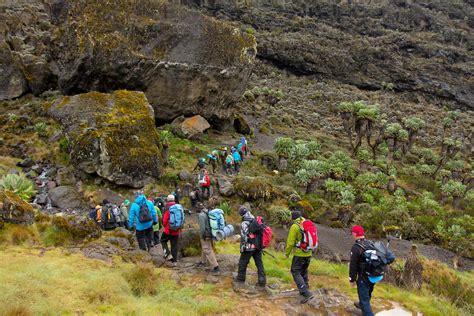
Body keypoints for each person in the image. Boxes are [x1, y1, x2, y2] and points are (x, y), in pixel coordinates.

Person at [285, 210, 313, 304]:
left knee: (295, 271)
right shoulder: (307, 223)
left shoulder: (295, 226)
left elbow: (290, 242)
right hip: (309, 253)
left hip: (299, 254)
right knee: (304, 270)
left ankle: (305, 293)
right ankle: (306, 287)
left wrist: (287, 253)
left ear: (293, 217)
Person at [235, 206, 266, 288]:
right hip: (257, 246)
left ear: (241, 214)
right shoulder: (255, 219)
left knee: (243, 263)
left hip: (248, 247)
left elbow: (244, 236)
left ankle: (240, 280)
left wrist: (242, 247)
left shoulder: (244, 223)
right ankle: (262, 281)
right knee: (259, 263)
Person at [349, 225, 375, 316]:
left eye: (352, 233)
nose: (352, 235)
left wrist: (352, 279)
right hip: (373, 275)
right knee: (368, 292)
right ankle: (361, 304)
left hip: (363, 277)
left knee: (364, 299)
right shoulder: (371, 243)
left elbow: (353, 266)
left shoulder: (356, 247)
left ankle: (365, 308)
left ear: (355, 234)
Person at [196, 202, 220, 274]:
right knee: (206, 248)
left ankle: (216, 267)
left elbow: (202, 228)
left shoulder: (201, 215)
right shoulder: (208, 212)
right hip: (210, 233)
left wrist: (201, 236)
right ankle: (203, 261)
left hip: (205, 235)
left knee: (207, 249)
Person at [161, 194, 182, 263]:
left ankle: (167, 254)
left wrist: (164, 226)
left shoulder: (167, 207)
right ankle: (174, 261)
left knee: (162, 240)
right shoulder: (178, 207)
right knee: (174, 245)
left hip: (168, 230)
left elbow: (164, 220)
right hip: (177, 229)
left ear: (167, 200)